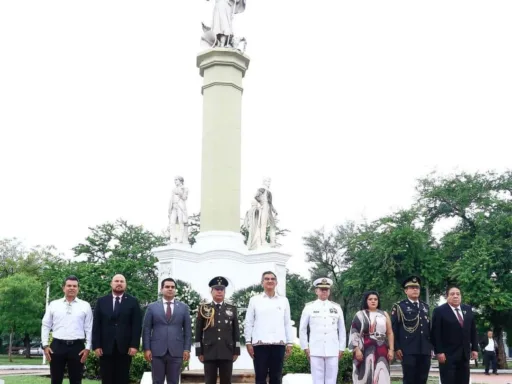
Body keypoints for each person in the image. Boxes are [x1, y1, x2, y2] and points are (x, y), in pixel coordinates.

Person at [41, 275, 93, 384]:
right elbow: (46, 325)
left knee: (76, 381)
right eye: (69, 285)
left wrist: (88, 348)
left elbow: (89, 328)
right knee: (55, 380)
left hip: (77, 347)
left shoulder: (85, 306)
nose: (72, 288)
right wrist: (45, 345)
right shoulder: (54, 304)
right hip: (57, 346)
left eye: (75, 286)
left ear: (78, 289)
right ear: (63, 288)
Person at [244, 271, 293, 384]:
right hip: (260, 345)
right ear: (262, 283)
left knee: (276, 378)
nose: (270, 281)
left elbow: (287, 323)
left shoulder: (284, 301)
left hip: (278, 344)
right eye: (267, 279)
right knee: (260, 378)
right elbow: (249, 322)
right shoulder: (254, 300)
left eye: (272, 279)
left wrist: (289, 342)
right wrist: (248, 342)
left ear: (276, 282)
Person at [92, 274, 142, 384]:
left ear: (125, 285)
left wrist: (134, 345)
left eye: (122, 281)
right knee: (106, 378)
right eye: (116, 281)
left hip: (125, 348)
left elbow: (137, 325)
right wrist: (96, 345)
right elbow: (96, 325)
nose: (119, 283)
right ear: (111, 284)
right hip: (105, 348)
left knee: (122, 378)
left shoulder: (133, 302)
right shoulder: (101, 301)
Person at [142, 278, 192, 384]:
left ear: (175, 290)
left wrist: (187, 349)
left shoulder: (183, 308)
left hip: (176, 351)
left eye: (172, 287)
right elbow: (146, 329)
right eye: (167, 287)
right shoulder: (152, 307)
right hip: (157, 352)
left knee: (174, 381)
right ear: (161, 289)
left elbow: (188, 330)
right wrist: (146, 349)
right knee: (157, 381)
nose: (170, 289)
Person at [299, 277, 346, 384]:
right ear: (316, 291)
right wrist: (305, 347)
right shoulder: (309, 307)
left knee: (331, 379)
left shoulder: (337, 308)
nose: (324, 291)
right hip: (315, 348)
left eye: (326, 289)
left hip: (332, 348)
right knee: (317, 380)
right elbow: (302, 329)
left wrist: (341, 348)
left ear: (329, 291)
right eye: (321, 289)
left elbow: (342, 329)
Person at [195, 276, 240, 384]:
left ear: (225, 292)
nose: (219, 292)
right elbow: (198, 332)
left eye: (222, 290)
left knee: (226, 381)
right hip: (209, 352)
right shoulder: (204, 308)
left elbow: (236, 331)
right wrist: (199, 351)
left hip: (227, 351)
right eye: (216, 289)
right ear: (211, 291)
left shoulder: (231, 309)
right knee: (209, 381)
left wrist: (236, 350)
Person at [431, 285, 479, 384]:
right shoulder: (439, 311)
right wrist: (439, 352)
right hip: (447, 355)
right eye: (452, 294)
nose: (456, 296)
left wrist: (474, 348)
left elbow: (473, 330)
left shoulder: (468, 309)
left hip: (464, 355)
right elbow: (436, 333)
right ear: (447, 296)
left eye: (458, 294)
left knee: (463, 380)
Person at [391, 276, 432, 384]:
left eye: (417, 288)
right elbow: (394, 329)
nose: (415, 290)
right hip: (408, 350)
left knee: (423, 379)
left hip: (424, 350)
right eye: (412, 287)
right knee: (409, 379)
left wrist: (431, 347)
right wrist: (397, 347)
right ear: (406, 290)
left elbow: (428, 329)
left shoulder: (425, 306)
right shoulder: (400, 307)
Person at [349, 291, 394, 384]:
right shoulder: (360, 314)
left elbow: (389, 333)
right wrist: (356, 349)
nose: (373, 301)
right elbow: (354, 333)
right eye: (370, 299)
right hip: (364, 348)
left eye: (375, 299)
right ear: (366, 301)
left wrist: (391, 349)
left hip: (381, 348)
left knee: (381, 375)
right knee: (365, 374)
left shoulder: (384, 314)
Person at [168, 176, 189, 243]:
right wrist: (169, 210)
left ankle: (181, 238)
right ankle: (172, 238)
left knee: (181, 222)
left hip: (180, 207)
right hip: (174, 207)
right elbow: (171, 199)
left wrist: (179, 192)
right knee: (172, 223)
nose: (175, 181)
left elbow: (184, 198)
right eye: (175, 180)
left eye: (176, 180)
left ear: (180, 181)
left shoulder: (185, 188)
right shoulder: (173, 189)